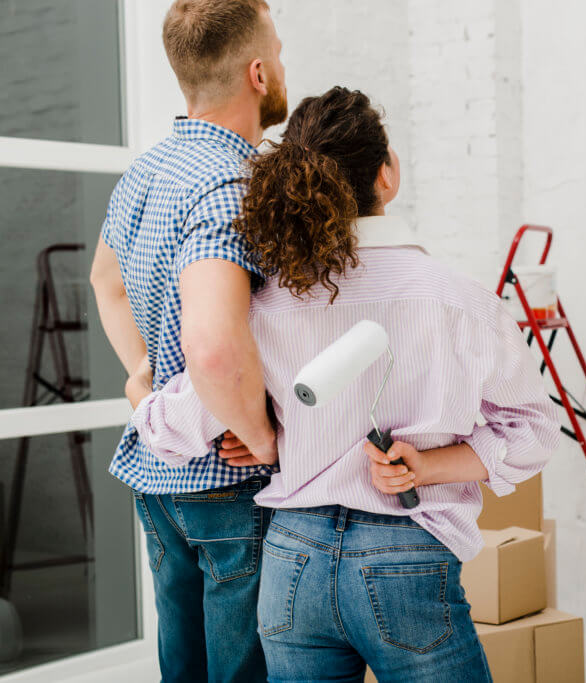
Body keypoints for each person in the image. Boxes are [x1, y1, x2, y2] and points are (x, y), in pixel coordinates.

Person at [127, 86, 560, 682]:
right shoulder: (461, 302)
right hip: (405, 556)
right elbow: (535, 431)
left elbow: (169, 428)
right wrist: (425, 467)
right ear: (387, 175)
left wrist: (142, 393)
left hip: (290, 564)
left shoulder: (267, 304)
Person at [88, 1, 287, 680]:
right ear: (258, 72)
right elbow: (210, 344)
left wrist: (148, 379)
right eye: (280, 54)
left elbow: (104, 280)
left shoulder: (146, 171)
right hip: (227, 484)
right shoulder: (234, 184)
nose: (284, 66)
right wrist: (257, 432)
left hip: (160, 480)